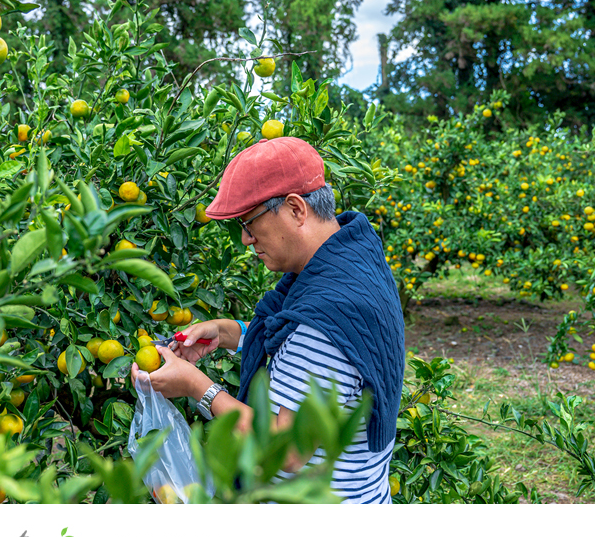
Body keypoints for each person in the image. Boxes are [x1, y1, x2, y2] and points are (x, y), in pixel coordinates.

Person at [132, 136, 405, 504]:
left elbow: (288, 450)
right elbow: (303, 345)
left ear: (295, 209)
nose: (246, 239)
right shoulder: (355, 256)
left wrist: (197, 387)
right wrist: (230, 333)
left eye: (249, 223)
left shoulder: (324, 322)